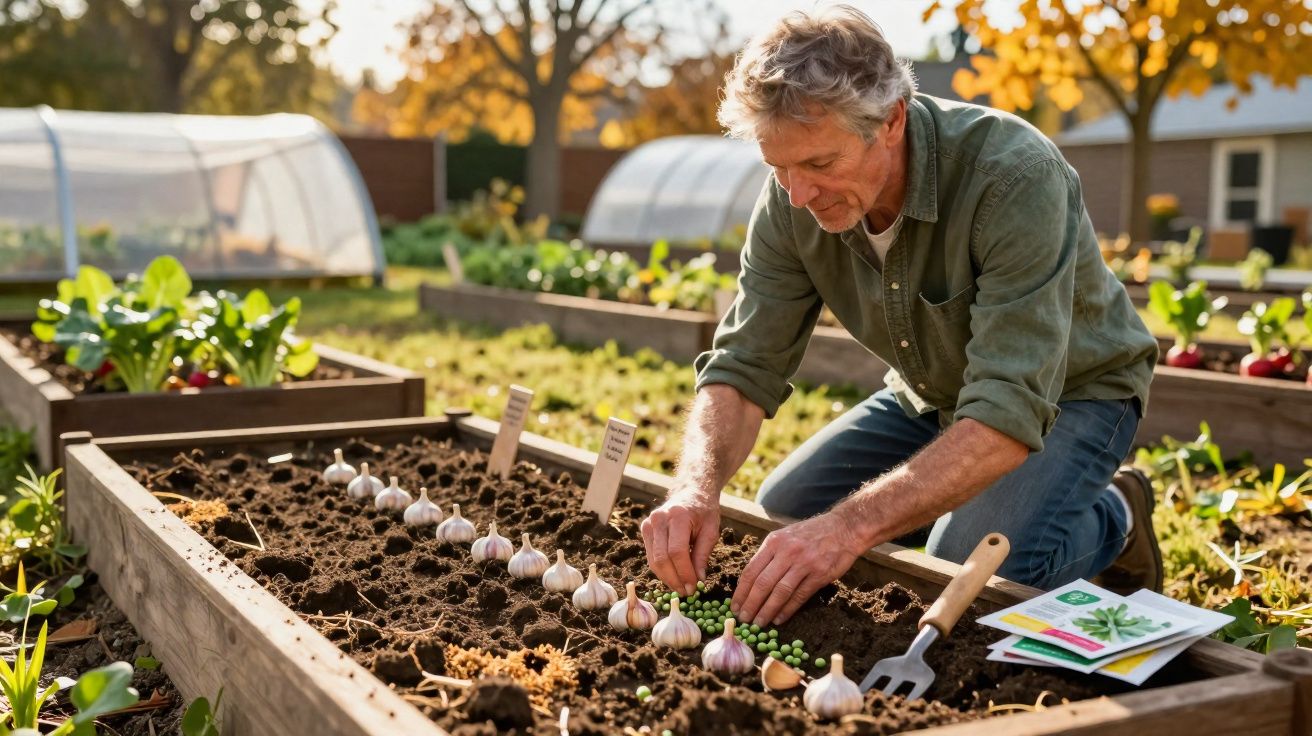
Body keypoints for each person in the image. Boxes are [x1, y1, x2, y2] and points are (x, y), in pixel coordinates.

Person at [639, 5, 1163, 628]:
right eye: (777, 168)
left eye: (819, 164)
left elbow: (1005, 411)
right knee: (786, 509)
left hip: (1074, 394)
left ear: (890, 121)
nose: (797, 195)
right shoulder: (790, 198)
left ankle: (1119, 515)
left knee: (965, 571)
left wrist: (850, 526)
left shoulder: (1015, 177)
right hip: (934, 391)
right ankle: (948, 514)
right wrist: (695, 487)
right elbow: (744, 364)